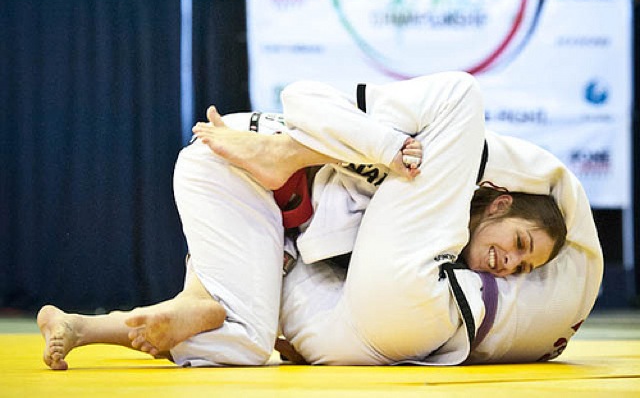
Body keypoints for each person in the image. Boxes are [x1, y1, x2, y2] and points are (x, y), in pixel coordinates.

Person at [37, 72, 595, 369]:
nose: (511, 263)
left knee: (246, 346)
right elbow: (302, 95)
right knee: (310, 162)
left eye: (524, 267)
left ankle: (83, 327)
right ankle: (284, 156)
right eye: (520, 243)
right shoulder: (430, 167)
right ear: (497, 203)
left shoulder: (432, 252)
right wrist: (386, 147)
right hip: (232, 159)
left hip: (272, 222)